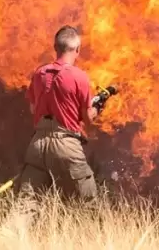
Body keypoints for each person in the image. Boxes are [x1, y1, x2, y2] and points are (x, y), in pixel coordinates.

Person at [15, 25, 99, 200]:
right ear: (77, 50)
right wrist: (96, 109)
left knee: (27, 202)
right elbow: (87, 118)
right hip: (66, 144)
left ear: (55, 47)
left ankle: (12, 229)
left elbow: (33, 108)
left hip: (38, 144)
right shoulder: (79, 76)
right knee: (87, 202)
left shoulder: (40, 73)